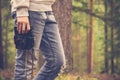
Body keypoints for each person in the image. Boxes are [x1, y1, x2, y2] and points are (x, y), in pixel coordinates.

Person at [10, 0, 66, 80]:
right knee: (26, 66)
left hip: (47, 9)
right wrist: (22, 11)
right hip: (29, 10)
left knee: (56, 62)